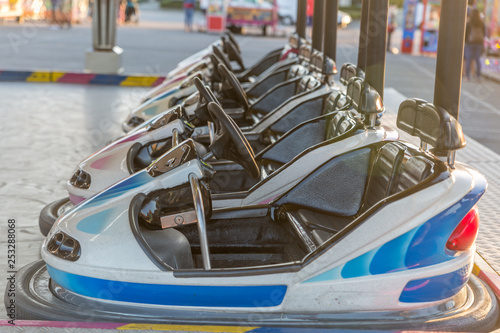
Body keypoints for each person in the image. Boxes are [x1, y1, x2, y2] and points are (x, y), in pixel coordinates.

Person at [464, 8, 485, 81]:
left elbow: (466, 34)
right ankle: (478, 76)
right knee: (477, 60)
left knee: (468, 60)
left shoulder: (469, 23)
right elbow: (484, 33)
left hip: (470, 43)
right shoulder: (482, 23)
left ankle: (467, 76)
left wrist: (466, 42)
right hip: (479, 43)